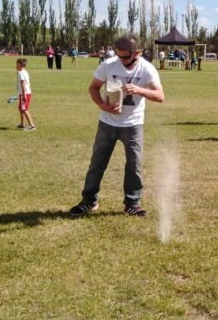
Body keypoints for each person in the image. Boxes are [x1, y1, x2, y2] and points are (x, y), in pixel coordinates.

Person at [69, 35, 165, 217]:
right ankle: (88, 201)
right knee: (97, 163)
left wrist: (138, 90)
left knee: (134, 165)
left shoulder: (147, 69)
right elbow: (93, 87)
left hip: (133, 125)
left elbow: (160, 96)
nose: (122, 61)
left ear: (137, 52)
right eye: (119, 56)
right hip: (107, 123)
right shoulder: (108, 65)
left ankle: (132, 203)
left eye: (126, 57)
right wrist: (102, 105)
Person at [15, 58, 36, 131]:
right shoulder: (24, 72)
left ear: (20, 65)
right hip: (25, 93)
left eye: (17, 64)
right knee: (20, 108)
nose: (15, 66)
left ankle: (32, 126)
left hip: (25, 93)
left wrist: (23, 95)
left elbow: (23, 84)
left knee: (24, 109)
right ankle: (22, 124)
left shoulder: (21, 73)